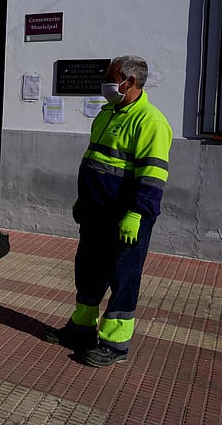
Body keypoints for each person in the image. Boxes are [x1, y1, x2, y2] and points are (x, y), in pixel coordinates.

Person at [45, 55, 172, 367]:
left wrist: (137, 214)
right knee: (88, 271)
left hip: (125, 218)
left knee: (123, 276)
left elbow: (152, 177)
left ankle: (115, 344)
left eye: (110, 76)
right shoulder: (107, 114)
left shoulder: (150, 122)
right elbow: (97, 163)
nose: (105, 81)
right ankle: (82, 329)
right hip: (96, 213)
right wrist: (83, 200)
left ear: (129, 82)